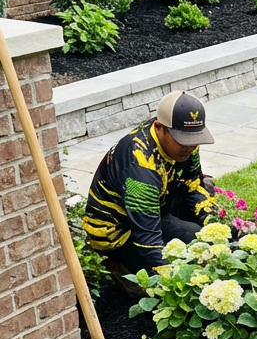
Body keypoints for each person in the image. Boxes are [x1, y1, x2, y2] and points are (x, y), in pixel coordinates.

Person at [83, 91, 217, 274]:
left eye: (195, 139)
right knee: (191, 246)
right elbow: (148, 239)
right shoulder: (139, 166)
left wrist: (214, 223)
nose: (190, 147)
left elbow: (192, 183)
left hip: (155, 207)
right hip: (118, 233)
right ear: (159, 127)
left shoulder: (186, 143)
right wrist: (171, 277)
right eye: (183, 140)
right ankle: (118, 266)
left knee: (204, 233)